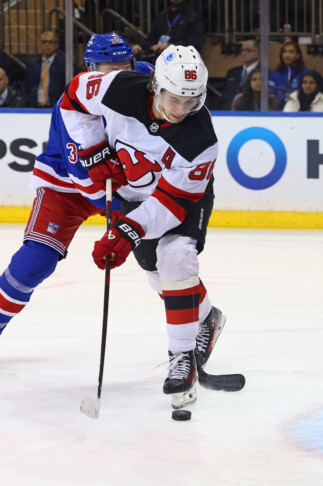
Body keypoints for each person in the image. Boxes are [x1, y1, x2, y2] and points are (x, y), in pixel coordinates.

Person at [57, 45, 225, 409]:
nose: (181, 110)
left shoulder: (201, 141)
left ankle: (182, 359)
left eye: (191, 102)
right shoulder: (115, 88)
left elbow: (170, 203)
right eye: (174, 99)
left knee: (175, 257)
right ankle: (206, 317)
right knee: (152, 269)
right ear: (155, 86)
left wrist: (124, 231)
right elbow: (72, 99)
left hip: (179, 198)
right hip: (133, 191)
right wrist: (92, 151)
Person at [0, 33, 153, 334]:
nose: (120, 77)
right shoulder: (73, 104)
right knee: (36, 262)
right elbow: (85, 180)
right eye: (111, 71)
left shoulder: (144, 84)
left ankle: (197, 320)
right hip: (66, 184)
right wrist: (121, 218)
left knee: (162, 254)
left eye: (126, 68)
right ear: (92, 69)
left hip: (121, 186)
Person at [132, 0, 204, 59]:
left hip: (180, 59)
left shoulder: (193, 18)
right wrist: (140, 46)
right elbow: (150, 39)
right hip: (158, 57)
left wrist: (170, 46)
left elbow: (196, 42)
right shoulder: (161, 16)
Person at [22, 31, 66, 108]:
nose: (47, 44)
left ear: (56, 45)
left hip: (56, 107)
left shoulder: (64, 64)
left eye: (50, 42)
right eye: (44, 42)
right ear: (40, 44)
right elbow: (26, 86)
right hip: (34, 108)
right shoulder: (32, 64)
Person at [221, 39, 259, 110]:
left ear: (257, 53)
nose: (243, 53)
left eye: (248, 50)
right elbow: (224, 96)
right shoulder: (232, 72)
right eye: (242, 50)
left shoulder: (264, 72)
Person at [269, 40, 308, 108]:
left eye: (291, 52)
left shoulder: (306, 73)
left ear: (297, 55)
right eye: (284, 52)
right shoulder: (274, 73)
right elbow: (270, 93)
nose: (287, 55)